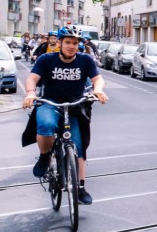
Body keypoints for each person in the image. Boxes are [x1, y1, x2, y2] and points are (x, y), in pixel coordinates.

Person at [22, 25, 108, 205]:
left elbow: (97, 79)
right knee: (45, 125)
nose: (71, 46)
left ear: (79, 45)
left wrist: (98, 90)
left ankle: (80, 187)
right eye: (68, 42)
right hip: (50, 103)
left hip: (75, 106)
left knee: (79, 145)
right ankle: (45, 156)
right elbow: (32, 78)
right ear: (60, 43)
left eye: (75, 43)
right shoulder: (46, 59)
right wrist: (30, 92)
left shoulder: (85, 61)